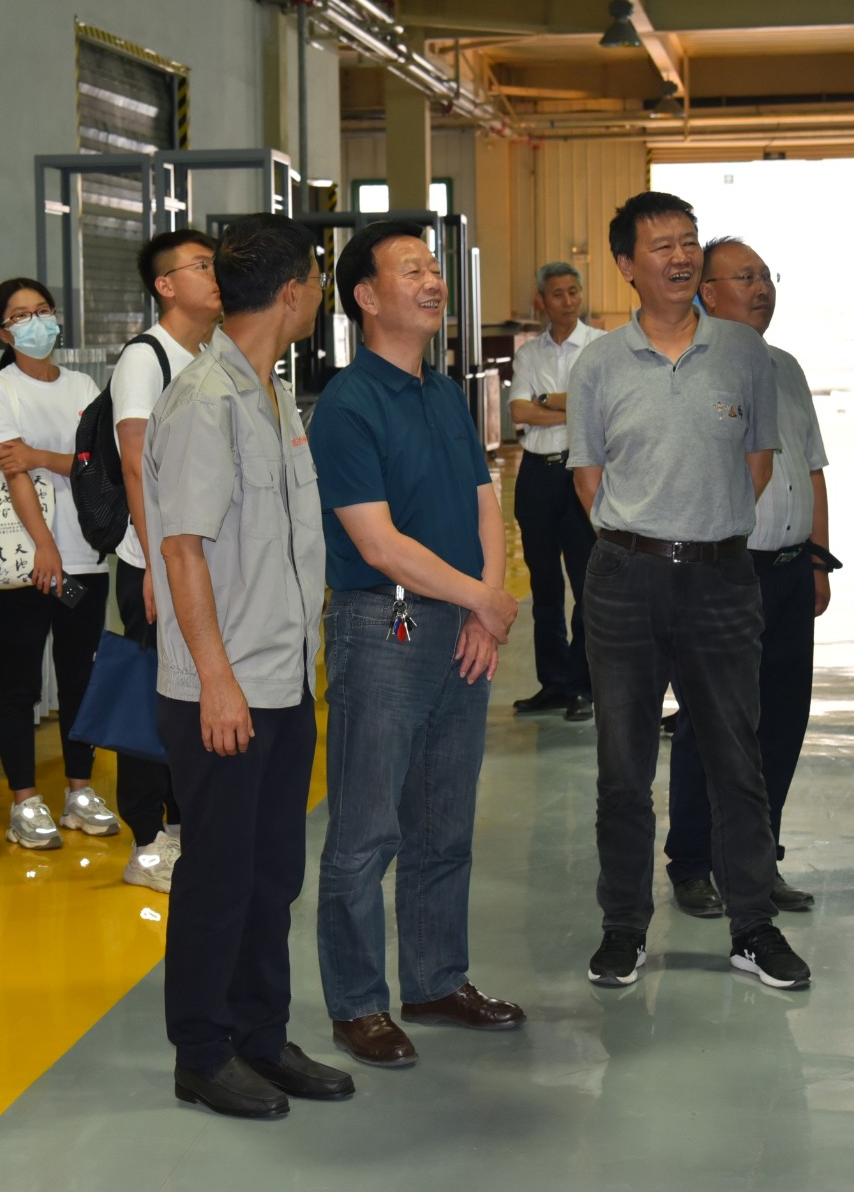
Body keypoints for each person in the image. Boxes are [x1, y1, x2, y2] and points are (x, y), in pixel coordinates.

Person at [568, 191, 810, 992]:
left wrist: (703, 530)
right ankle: (623, 928)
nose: (680, 256)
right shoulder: (599, 363)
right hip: (625, 580)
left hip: (721, 578)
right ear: (626, 264)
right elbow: (589, 476)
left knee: (737, 758)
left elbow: (756, 464)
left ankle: (753, 927)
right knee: (622, 768)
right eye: (662, 245)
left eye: (688, 241)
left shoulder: (742, 353)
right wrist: (646, 532)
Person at [144, 214, 351, 1119]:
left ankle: (261, 1036)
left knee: (272, 877)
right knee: (220, 878)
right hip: (222, 689)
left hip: (282, 678)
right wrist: (216, 680)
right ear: (295, 292)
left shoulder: (273, 394)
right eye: (317, 280)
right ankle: (202, 1051)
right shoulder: (206, 401)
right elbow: (181, 549)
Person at [309, 220, 526, 1072]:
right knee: (366, 830)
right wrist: (483, 598)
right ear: (366, 296)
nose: (433, 281)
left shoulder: (442, 392)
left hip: (457, 627)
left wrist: (483, 609)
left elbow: (484, 500)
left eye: (434, 267)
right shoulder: (348, 404)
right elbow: (378, 543)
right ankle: (357, 1003)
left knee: (444, 821)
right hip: (384, 625)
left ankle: (436, 980)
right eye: (412, 269)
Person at [664, 237, 837, 920]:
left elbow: (811, 467)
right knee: (711, 725)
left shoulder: (785, 369)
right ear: (707, 292)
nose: (762, 288)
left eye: (766, 276)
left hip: (791, 574)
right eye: (745, 277)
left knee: (781, 724)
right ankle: (693, 863)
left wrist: (818, 557)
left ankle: (757, 863)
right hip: (724, 573)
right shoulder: (691, 371)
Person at [0, 277, 121, 850]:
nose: (35, 323)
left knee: (80, 676)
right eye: (20, 316)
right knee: (21, 680)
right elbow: (13, 472)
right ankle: (24, 801)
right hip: (29, 562)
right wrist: (45, 545)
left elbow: (97, 463)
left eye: (42, 311)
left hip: (84, 559)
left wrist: (41, 455)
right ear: (2, 332)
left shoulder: (82, 385)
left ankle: (79, 792)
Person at [111, 229, 219, 892]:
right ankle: (146, 841)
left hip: (197, 559)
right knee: (151, 698)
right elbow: (135, 463)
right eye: (201, 265)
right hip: (156, 560)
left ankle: (181, 828)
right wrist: (156, 563)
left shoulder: (211, 354)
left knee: (189, 695)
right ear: (165, 285)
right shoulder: (145, 358)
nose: (215, 275)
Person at [507, 263, 604, 723]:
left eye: (573, 292)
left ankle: (584, 686)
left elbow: (599, 406)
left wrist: (545, 400)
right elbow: (519, 412)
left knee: (587, 585)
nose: (567, 301)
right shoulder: (529, 353)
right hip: (536, 475)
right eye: (558, 294)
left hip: (580, 472)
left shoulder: (600, 347)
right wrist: (570, 404)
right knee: (543, 586)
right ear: (541, 301)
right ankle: (554, 683)